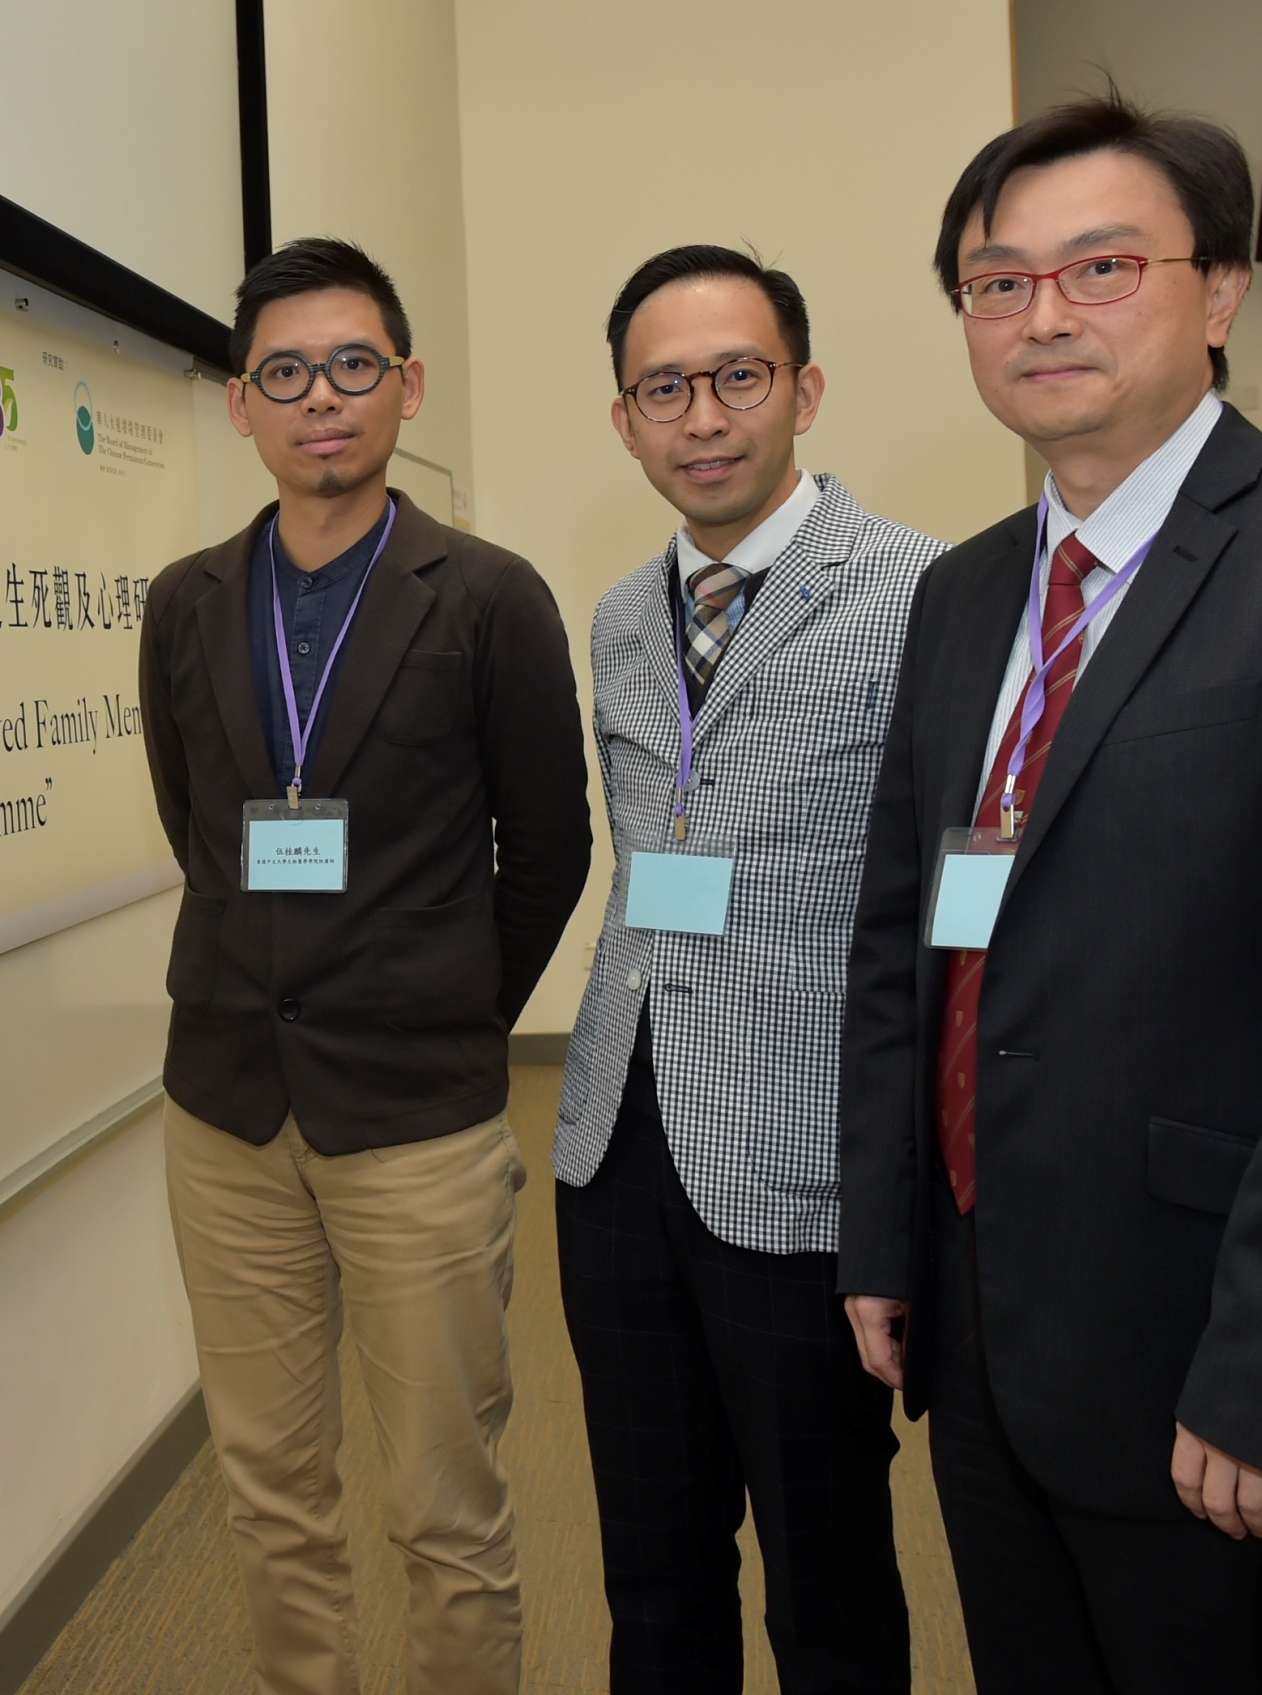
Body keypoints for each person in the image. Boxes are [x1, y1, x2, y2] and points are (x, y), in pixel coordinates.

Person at [837, 95, 1262, 1693]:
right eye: (995, 281)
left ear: (1218, 293)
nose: (1042, 313)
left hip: (1212, 1355)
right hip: (984, 1323)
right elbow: (901, 941)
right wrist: (885, 1238)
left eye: (1101, 264)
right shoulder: (965, 589)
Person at [139, 236, 591, 1695]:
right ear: (239, 403)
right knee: (270, 1494)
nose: (317, 398)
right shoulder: (188, 600)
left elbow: (549, 847)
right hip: (223, 1109)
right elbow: (196, 823)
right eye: (284, 372)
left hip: (416, 1119)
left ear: (404, 387)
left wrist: (447, 1008)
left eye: (350, 367)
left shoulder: (486, 595)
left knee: (442, 1506)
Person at [557, 246, 939, 1693]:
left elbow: (939, 907)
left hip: (797, 1163)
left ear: (804, 388)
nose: (702, 417)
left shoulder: (915, 590)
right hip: (611, 1148)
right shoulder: (611, 617)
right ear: (624, 419)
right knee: (650, 1565)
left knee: (827, 1577)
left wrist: (898, 1207)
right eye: (665, 388)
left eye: (736, 377)